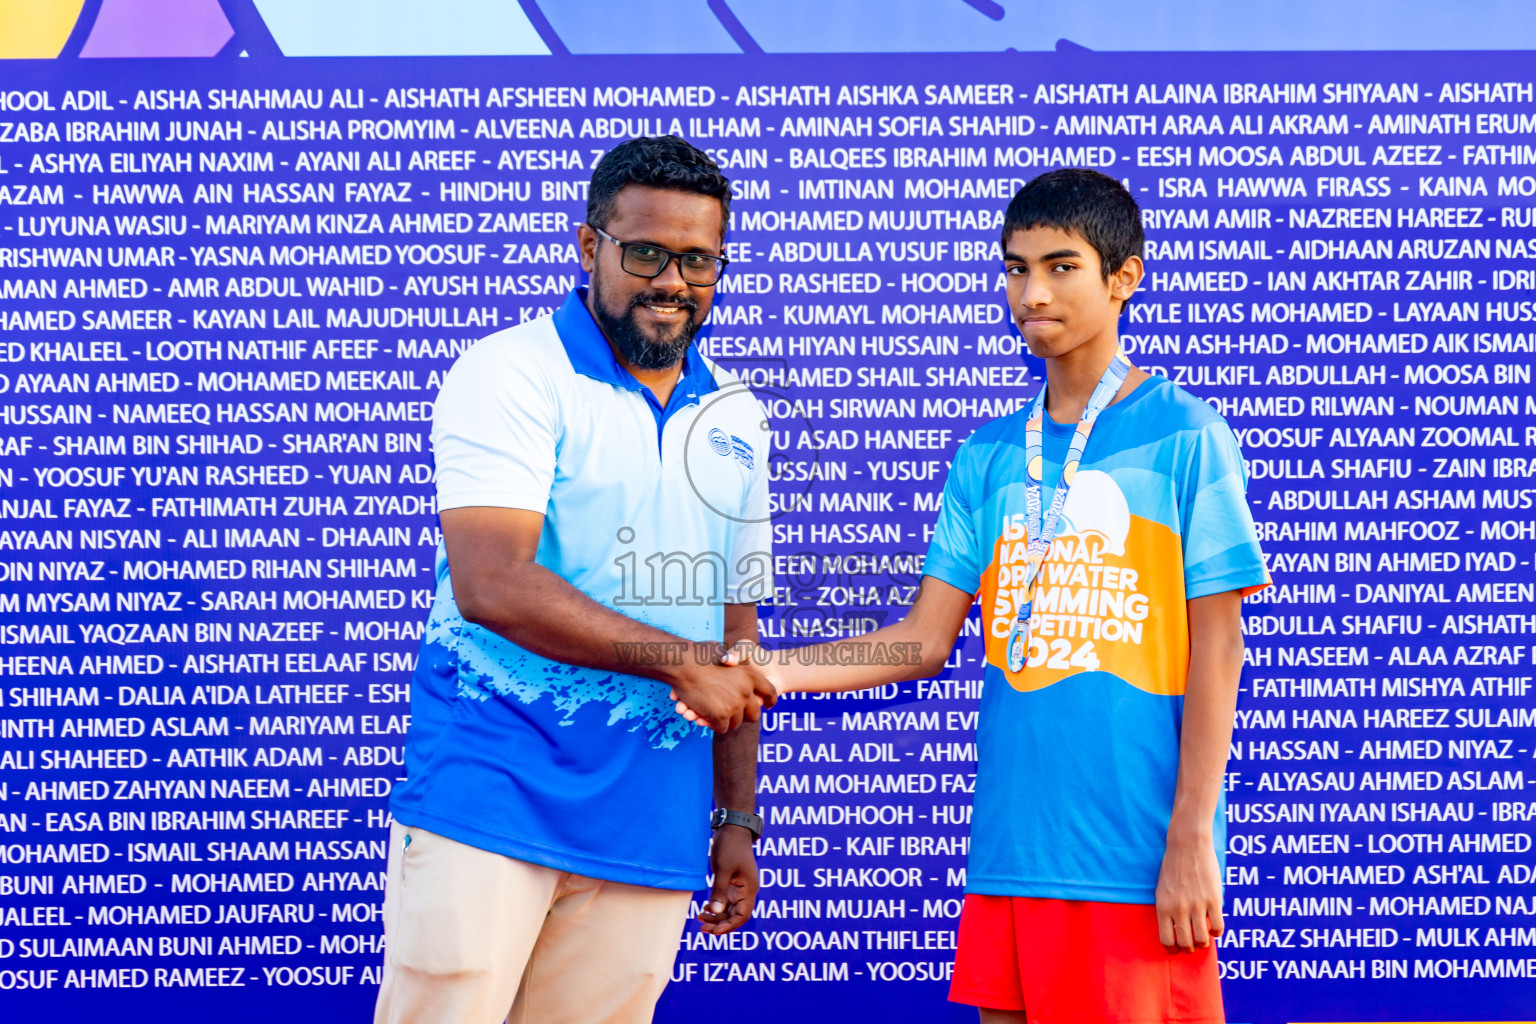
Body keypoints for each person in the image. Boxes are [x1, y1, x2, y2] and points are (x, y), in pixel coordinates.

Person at [712, 167, 1269, 1023]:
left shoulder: (1186, 434)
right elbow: (925, 639)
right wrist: (771, 671)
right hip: (1013, 853)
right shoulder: (988, 456)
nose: (1031, 291)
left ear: (1125, 277)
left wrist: (1193, 835)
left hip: (1133, 856)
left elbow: (1219, 648)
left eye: (1060, 266)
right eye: (1015, 268)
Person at [375, 135, 777, 1024]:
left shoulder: (736, 414)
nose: (671, 280)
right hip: (492, 789)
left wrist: (737, 817)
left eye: (697, 259)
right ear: (589, 245)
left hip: (651, 815)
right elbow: (493, 583)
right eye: (645, 252)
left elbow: (736, 632)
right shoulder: (510, 372)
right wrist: (679, 662)